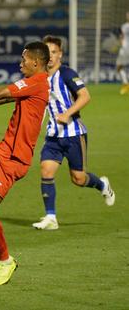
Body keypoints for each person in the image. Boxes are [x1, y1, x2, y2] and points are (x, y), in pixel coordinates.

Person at [0, 42, 50, 285]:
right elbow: (1, 100)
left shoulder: (38, 82)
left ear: (36, 63)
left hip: (13, 160)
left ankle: (6, 260)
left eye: (24, 59)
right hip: (1, 150)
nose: (20, 63)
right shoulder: (33, 85)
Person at [32, 36, 115, 231]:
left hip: (74, 134)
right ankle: (51, 217)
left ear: (60, 54)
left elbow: (85, 96)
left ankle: (102, 185)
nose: (50, 56)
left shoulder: (67, 73)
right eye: (46, 52)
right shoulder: (39, 78)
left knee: (78, 178)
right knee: (46, 171)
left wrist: (67, 114)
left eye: (53, 52)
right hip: (53, 136)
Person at [117, 12, 129, 95]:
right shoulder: (124, 26)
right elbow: (121, 37)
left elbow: (121, 38)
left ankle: (125, 84)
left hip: (125, 49)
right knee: (119, 67)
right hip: (125, 49)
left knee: (119, 67)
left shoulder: (124, 26)